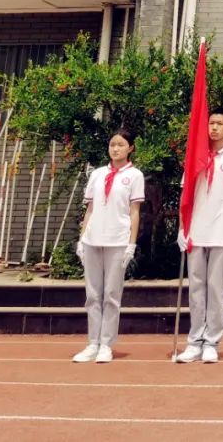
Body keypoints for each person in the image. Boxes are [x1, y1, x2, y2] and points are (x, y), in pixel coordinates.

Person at [175, 106, 223, 364]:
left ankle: (212, 341)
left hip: (221, 231)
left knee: (216, 289)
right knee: (196, 289)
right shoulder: (195, 156)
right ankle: (194, 341)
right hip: (196, 231)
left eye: (219, 123)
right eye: (211, 123)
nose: (214, 128)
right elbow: (185, 195)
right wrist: (182, 228)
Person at [73, 129, 144, 363]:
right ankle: (92, 342)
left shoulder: (134, 175)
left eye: (121, 145)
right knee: (93, 295)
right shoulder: (97, 174)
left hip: (118, 240)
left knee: (111, 295)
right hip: (93, 240)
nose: (115, 149)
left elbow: (134, 212)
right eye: (112, 144)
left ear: (130, 148)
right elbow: (90, 209)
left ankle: (106, 343)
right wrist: (82, 238)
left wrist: (131, 243)